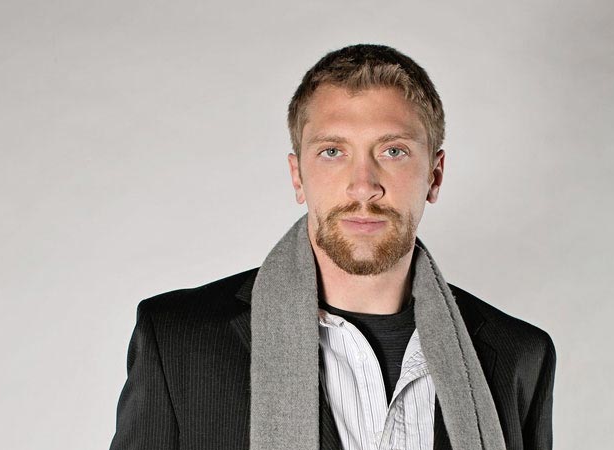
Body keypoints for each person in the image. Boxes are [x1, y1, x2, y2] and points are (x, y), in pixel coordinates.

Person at [109, 44, 556, 450]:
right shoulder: (177, 341)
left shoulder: (519, 356)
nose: (363, 186)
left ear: (434, 175)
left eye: (393, 151)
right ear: (297, 176)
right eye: (332, 152)